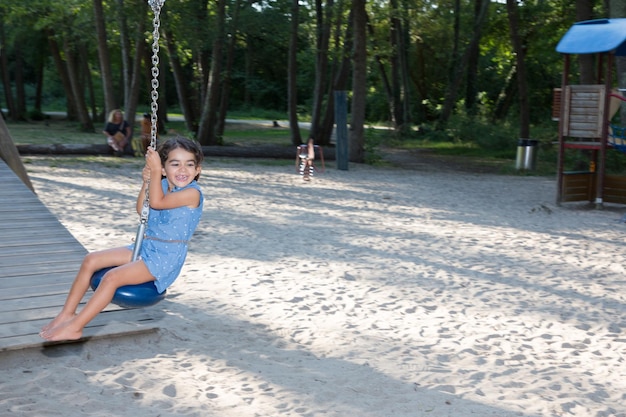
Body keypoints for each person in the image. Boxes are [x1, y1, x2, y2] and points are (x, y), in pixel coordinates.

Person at [40, 137, 204, 342]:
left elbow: (157, 202)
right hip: (147, 246)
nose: (183, 170)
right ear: (164, 168)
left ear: (197, 169)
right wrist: (147, 181)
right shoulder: (161, 184)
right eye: (175, 163)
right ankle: (66, 314)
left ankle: (76, 326)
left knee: (112, 277)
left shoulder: (192, 193)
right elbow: (142, 209)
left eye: (189, 164)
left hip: (165, 257)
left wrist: (153, 173)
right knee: (91, 260)